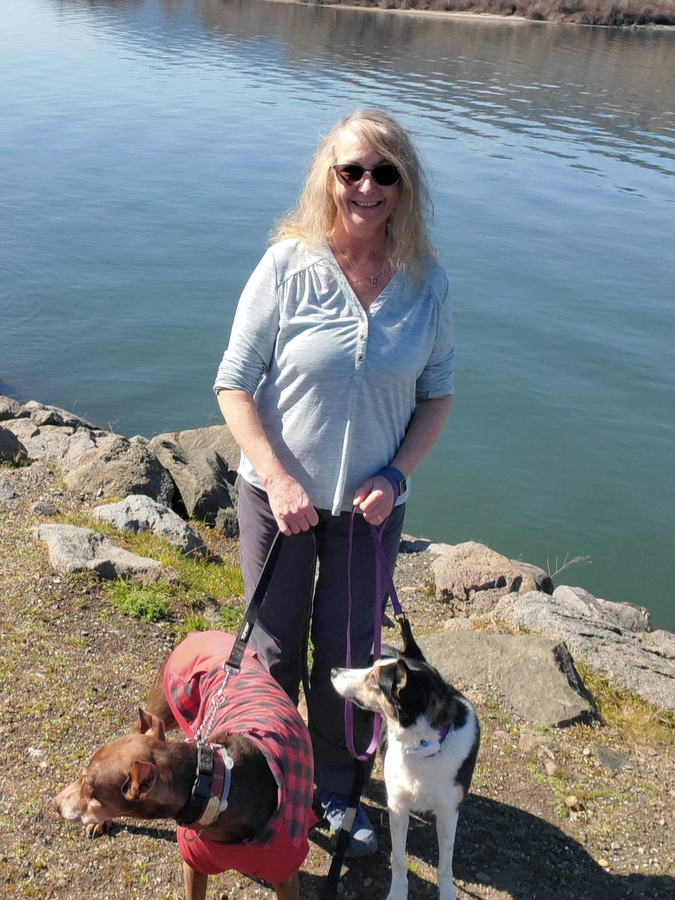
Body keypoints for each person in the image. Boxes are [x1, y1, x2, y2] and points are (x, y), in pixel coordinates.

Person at [213, 109, 454, 858]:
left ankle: (338, 791)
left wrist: (396, 474)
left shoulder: (426, 285)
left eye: (385, 172)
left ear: (404, 185)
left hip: (369, 512)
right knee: (274, 650)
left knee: (351, 658)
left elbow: (437, 396)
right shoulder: (287, 266)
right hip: (277, 501)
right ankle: (266, 780)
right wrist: (277, 476)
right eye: (352, 171)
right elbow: (233, 383)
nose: (367, 186)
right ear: (329, 177)